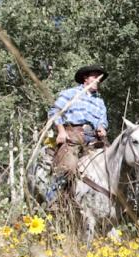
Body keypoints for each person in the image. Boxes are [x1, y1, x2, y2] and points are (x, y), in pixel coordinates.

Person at [46, 64, 108, 200]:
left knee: (113, 162)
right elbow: (54, 112)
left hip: (94, 140)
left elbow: (102, 121)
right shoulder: (70, 93)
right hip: (72, 137)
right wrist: (61, 131)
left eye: (100, 78)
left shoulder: (100, 102)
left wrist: (101, 128)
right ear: (85, 78)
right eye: (95, 77)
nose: (98, 80)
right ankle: (52, 202)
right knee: (67, 168)